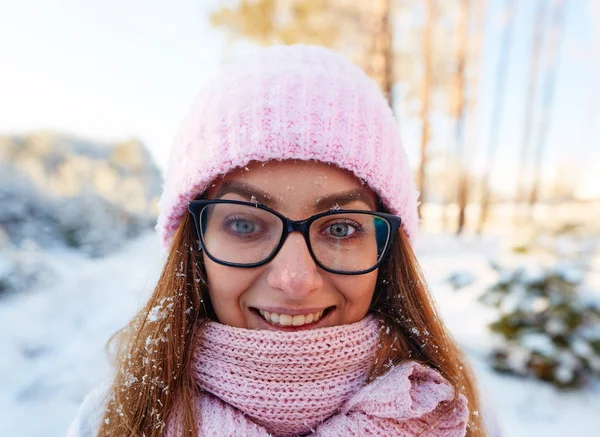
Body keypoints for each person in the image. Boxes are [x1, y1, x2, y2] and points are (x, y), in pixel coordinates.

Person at [68, 44, 486, 437]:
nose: (295, 279)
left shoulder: (448, 412)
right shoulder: (113, 420)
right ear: (193, 245)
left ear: (386, 250)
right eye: (245, 225)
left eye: (340, 228)